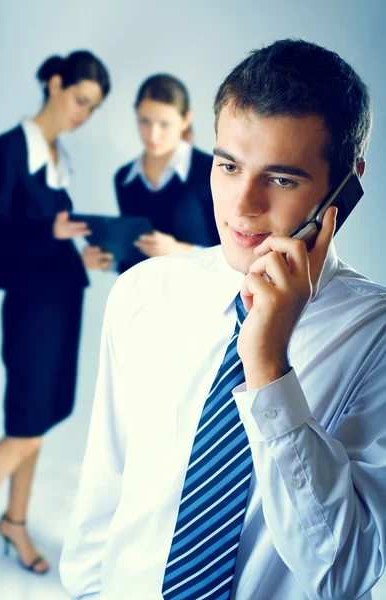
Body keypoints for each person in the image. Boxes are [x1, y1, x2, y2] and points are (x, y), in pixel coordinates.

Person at [60, 39, 386, 600]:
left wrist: (267, 368)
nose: (242, 205)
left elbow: (345, 575)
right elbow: (104, 499)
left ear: (346, 186)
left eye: (281, 179)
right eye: (228, 166)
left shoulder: (376, 334)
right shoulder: (144, 291)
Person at [0, 50, 112, 589]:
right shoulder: (7, 149)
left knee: (42, 420)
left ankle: (15, 522)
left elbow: (52, 237)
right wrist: (51, 235)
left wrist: (83, 256)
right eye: (80, 100)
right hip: (29, 305)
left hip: (63, 297)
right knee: (24, 426)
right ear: (54, 83)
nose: (83, 114)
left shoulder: (58, 155)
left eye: (92, 108)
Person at [114, 73, 220, 273]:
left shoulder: (212, 171)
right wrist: (110, 261)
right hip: (145, 297)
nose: (153, 134)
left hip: (197, 296)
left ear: (185, 119)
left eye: (164, 124)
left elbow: (228, 254)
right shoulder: (124, 179)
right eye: (145, 121)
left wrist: (176, 250)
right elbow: (135, 256)